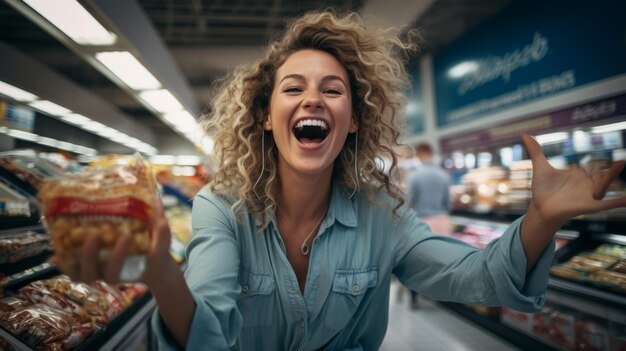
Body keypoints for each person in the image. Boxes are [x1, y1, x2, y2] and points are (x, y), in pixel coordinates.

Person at [51, 11, 626, 351]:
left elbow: (477, 279)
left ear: (353, 120)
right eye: (293, 87)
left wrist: (541, 218)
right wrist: (158, 272)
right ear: (264, 114)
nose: (313, 99)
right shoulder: (219, 208)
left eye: (333, 89)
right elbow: (210, 329)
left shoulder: (384, 215)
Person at [403, 143, 452, 309]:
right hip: (441, 221)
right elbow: (448, 202)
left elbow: (410, 201)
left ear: (420, 155)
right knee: (440, 261)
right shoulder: (444, 175)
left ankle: (414, 297)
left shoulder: (415, 176)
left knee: (417, 262)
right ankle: (436, 295)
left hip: (422, 222)